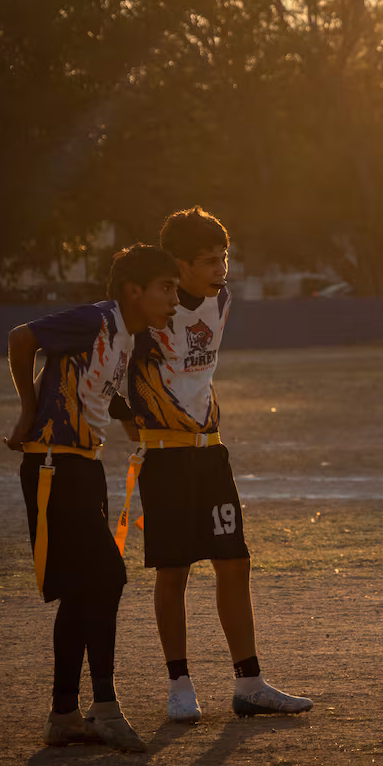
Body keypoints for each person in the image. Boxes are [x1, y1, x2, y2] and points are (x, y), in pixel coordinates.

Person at [113, 207, 312, 722]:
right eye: (208, 260)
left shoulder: (222, 299)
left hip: (211, 454)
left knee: (235, 563)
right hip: (165, 460)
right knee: (173, 571)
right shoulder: (146, 315)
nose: (221, 267)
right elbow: (109, 368)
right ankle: (179, 683)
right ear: (177, 265)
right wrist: (129, 418)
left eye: (224, 256)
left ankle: (249, 682)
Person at [4, 243, 181, 752]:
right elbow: (22, 338)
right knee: (107, 575)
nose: (173, 297)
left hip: (82, 465)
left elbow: (98, 387)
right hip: (54, 466)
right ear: (133, 290)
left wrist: (133, 417)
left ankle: (64, 715)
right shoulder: (96, 318)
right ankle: (104, 707)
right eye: (165, 288)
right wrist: (27, 409)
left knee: (86, 589)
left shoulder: (125, 332)